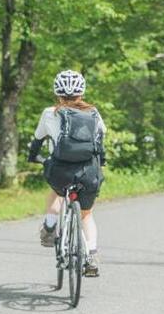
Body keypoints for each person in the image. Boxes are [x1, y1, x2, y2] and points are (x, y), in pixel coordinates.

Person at [27, 70, 106, 277]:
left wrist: (34, 157)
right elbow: (100, 141)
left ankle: (50, 228)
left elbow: (37, 141)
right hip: (88, 172)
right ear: (82, 92)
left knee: (57, 193)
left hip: (60, 172)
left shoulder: (49, 113)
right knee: (86, 215)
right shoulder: (94, 113)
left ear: (57, 93)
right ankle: (91, 255)